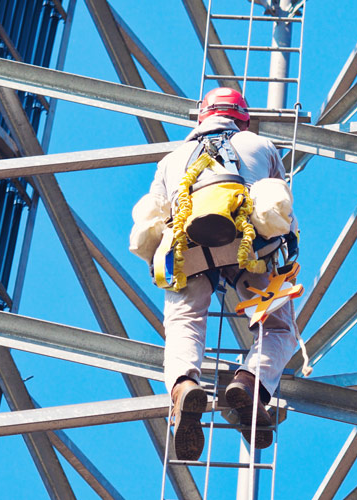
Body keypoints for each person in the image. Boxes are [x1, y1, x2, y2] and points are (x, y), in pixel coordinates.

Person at [128, 87, 299, 460]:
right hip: (249, 246)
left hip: (186, 248)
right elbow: (282, 212)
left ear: (202, 116)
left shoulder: (171, 159)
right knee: (279, 328)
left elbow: (153, 219)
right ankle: (249, 383)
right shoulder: (260, 144)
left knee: (184, 321)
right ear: (243, 118)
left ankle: (184, 387)